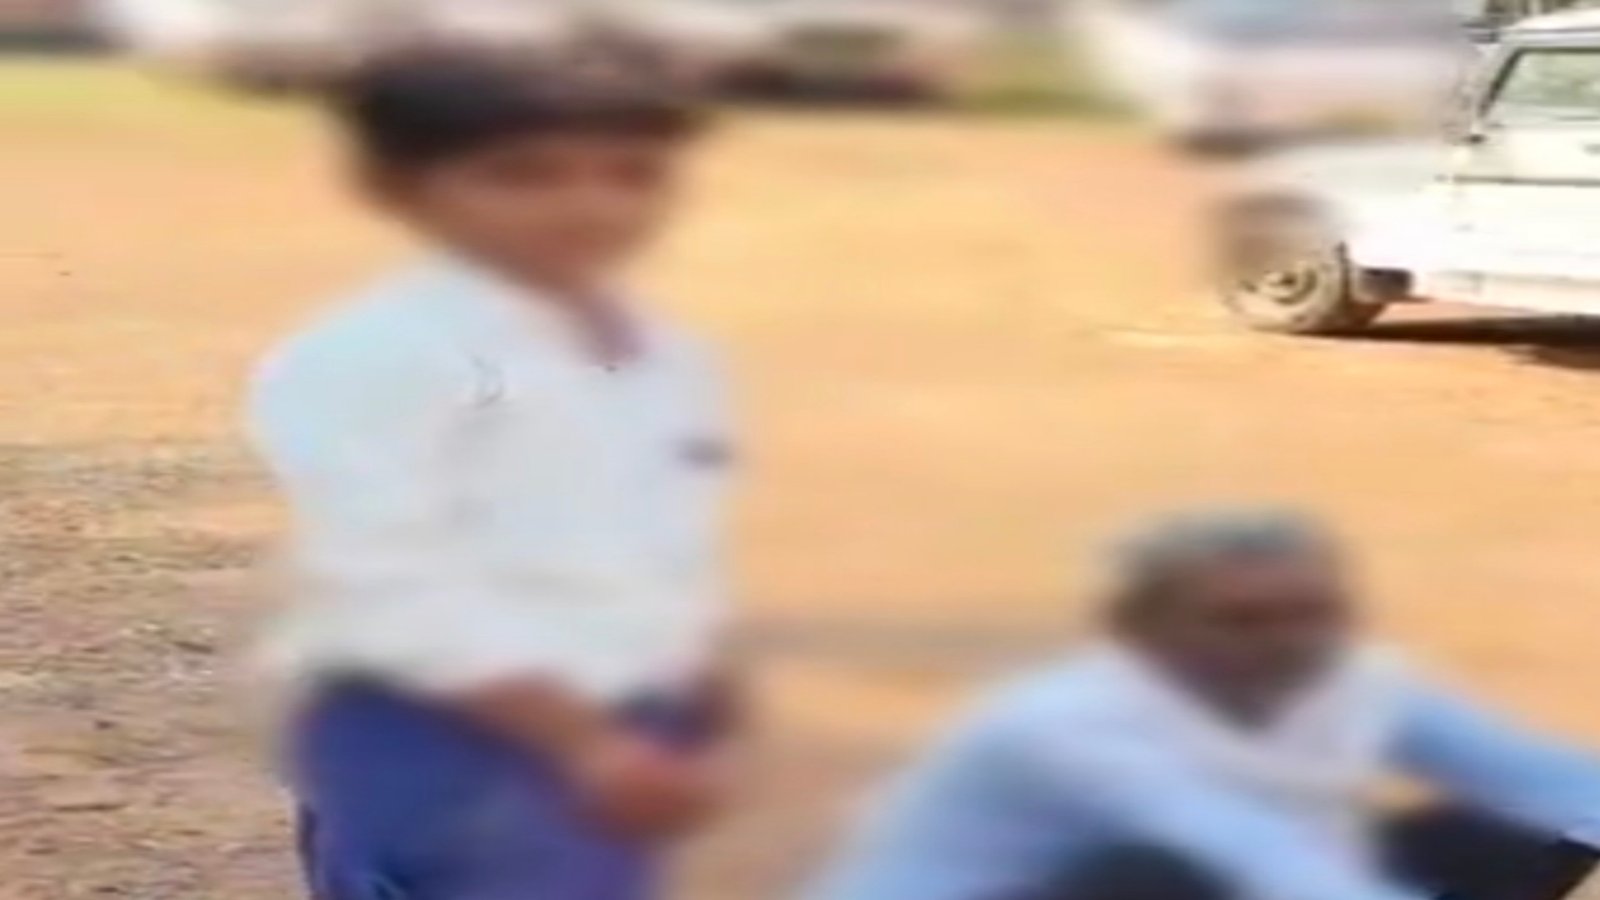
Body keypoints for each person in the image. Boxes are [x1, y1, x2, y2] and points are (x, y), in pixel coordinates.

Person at [245, 48, 737, 900]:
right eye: (524, 175)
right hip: (438, 725)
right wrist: (586, 745)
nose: (589, 205)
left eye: (632, 173)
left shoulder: (651, 348)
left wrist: (687, 677)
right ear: (398, 185)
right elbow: (394, 588)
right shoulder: (380, 355)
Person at [806, 508, 1600, 900]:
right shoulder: (1066, 727)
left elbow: (1551, 779)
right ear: (1142, 628)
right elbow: (1252, 855)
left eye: (1308, 614)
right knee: (1154, 874)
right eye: (1240, 620)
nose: (1285, 640)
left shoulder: (1348, 680)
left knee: (1505, 830)